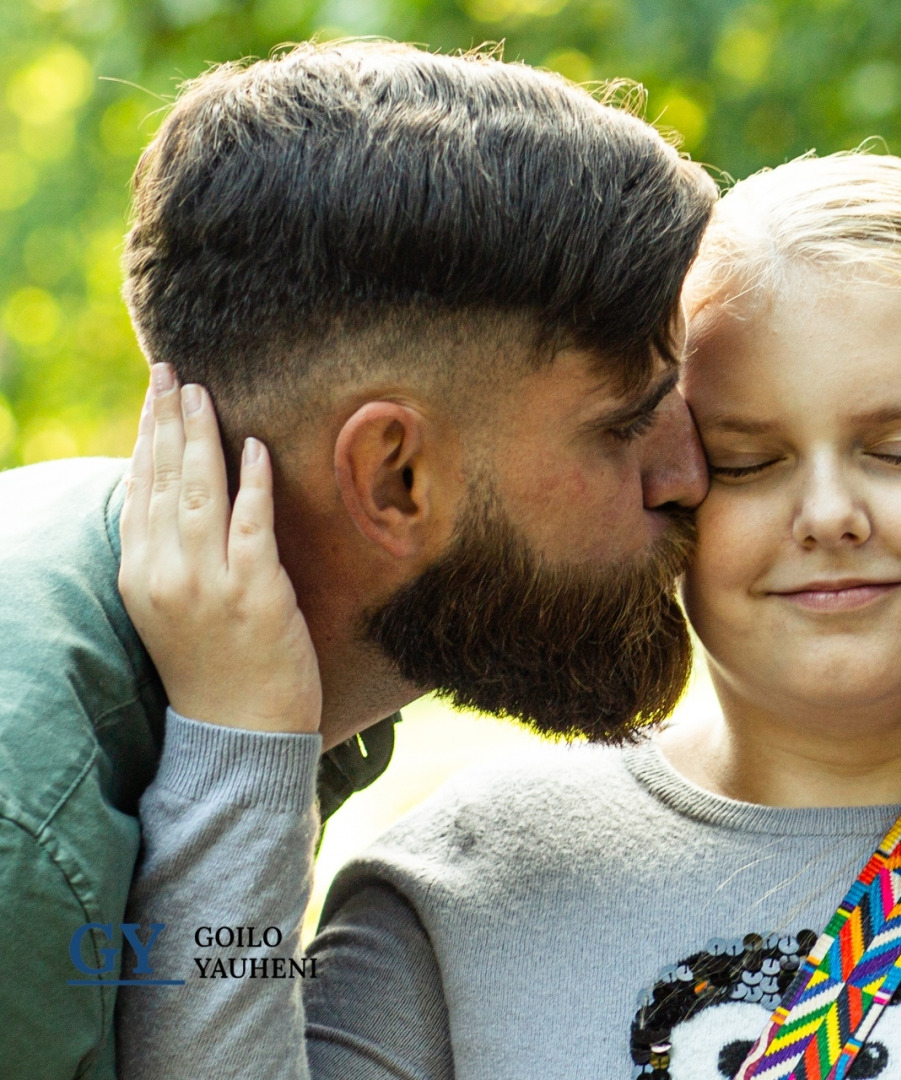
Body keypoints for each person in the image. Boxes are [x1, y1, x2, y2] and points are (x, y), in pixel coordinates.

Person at [119, 153, 901, 1080]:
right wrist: (242, 745)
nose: (828, 513)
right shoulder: (454, 886)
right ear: (667, 482)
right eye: (747, 460)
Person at [0, 40, 716, 1079]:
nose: (691, 472)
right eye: (625, 425)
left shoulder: (272, 659)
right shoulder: (27, 848)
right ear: (394, 480)